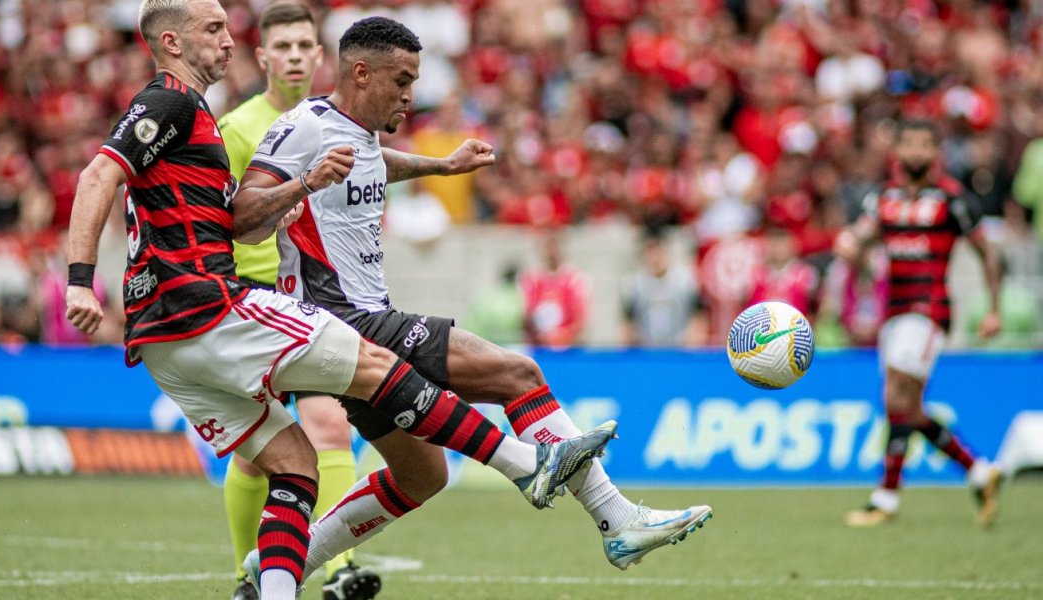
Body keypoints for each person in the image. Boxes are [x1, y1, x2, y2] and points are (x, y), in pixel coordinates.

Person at [64, 3, 614, 600]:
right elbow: (99, 176)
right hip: (208, 304)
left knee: (294, 465)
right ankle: (525, 464)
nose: (228, 40)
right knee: (375, 364)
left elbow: (269, 197)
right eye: (214, 28)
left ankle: (270, 590)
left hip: (162, 340)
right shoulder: (172, 100)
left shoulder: (203, 115)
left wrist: (427, 168)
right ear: (171, 41)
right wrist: (78, 279)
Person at [241, 15, 711, 579]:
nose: (410, 96)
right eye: (402, 80)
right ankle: (617, 520)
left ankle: (278, 569)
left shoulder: (357, 133)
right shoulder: (305, 127)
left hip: (358, 325)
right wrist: (303, 185)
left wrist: (441, 166)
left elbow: (372, 164)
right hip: (341, 320)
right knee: (517, 375)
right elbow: (242, 217)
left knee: (422, 477)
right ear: (361, 73)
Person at [215, 5, 373, 598]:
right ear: (262, 58)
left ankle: (339, 569)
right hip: (254, 298)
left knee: (330, 424)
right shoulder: (236, 129)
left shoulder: (343, 122)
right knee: (262, 451)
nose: (297, 56)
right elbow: (222, 221)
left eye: (307, 45)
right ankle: (245, 574)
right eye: (284, 46)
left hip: (320, 297)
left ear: (320, 53)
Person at [835, 120, 1004, 528]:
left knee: (897, 398)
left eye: (923, 144)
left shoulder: (951, 198)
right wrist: (850, 248)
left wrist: (993, 308)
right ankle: (980, 471)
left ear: (935, 154)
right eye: (907, 142)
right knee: (906, 407)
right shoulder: (884, 199)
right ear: (896, 151)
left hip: (929, 310)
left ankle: (886, 500)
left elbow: (988, 253)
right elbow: (860, 241)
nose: (914, 151)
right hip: (893, 312)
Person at [620, 235, 698, 347]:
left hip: (679, 350)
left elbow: (698, 319)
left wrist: (692, 340)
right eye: (650, 254)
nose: (655, 259)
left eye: (658, 253)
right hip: (645, 351)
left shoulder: (685, 282)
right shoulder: (633, 285)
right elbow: (627, 324)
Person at [520, 228, 590, 348]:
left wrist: (564, 336)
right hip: (539, 345)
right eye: (547, 246)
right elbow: (526, 314)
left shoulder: (574, 279)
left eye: (554, 246)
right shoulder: (532, 279)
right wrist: (539, 335)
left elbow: (580, 318)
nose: (551, 251)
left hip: (567, 347)